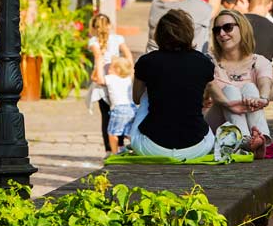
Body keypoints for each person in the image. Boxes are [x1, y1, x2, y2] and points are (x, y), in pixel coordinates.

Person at [130, 9, 215, 158]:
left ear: (159, 35)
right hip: (196, 148)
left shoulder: (147, 61)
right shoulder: (203, 62)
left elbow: (136, 98)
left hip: (152, 147)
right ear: (189, 33)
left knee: (146, 93)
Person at [205, 9, 270, 156]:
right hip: (213, 128)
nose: (222, 34)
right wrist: (230, 104)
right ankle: (248, 141)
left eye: (227, 27)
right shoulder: (208, 61)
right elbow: (210, 85)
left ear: (242, 29)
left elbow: (265, 82)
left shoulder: (259, 61)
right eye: (217, 30)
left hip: (241, 126)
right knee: (230, 91)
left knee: (250, 88)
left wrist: (262, 99)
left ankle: (259, 138)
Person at [146, 0, 221, 52]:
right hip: (189, 61)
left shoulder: (156, 3)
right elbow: (213, 9)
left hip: (154, 59)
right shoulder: (194, 5)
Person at [88, 13, 133, 151]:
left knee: (106, 116)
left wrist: (98, 73)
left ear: (94, 27)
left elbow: (98, 58)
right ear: (109, 25)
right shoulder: (118, 38)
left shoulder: (94, 41)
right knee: (120, 111)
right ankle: (120, 144)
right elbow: (128, 54)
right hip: (118, 76)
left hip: (103, 81)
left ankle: (109, 149)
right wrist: (128, 70)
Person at [104, 55, 135, 154]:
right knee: (129, 133)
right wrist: (128, 54)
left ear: (117, 69)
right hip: (131, 108)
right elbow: (131, 67)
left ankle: (114, 153)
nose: (108, 68)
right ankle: (136, 150)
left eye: (111, 66)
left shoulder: (111, 78)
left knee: (112, 133)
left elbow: (98, 79)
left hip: (119, 109)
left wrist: (98, 61)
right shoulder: (128, 79)